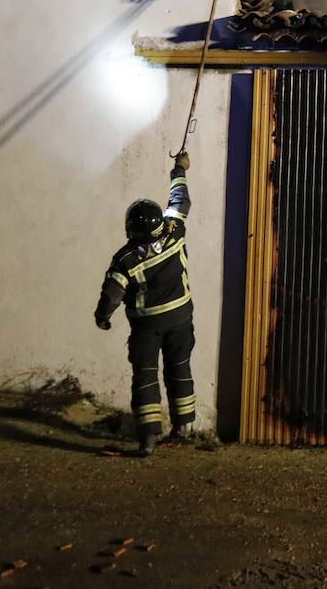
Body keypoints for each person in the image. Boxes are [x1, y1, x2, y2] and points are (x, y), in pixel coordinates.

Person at [94, 152, 197, 456]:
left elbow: (112, 293)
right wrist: (178, 169)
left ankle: (148, 440)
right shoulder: (174, 231)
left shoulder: (124, 259)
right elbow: (180, 202)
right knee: (179, 369)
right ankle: (182, 428)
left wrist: (102, 317)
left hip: (146, 327)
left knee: (146, 377)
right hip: (181, 318)